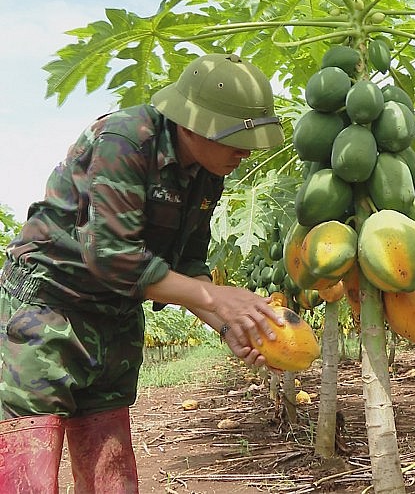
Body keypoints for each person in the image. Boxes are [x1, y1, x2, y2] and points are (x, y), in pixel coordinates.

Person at [0, 53, 286, 493]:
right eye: (234, 138)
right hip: (50, 308)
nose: (245, 152)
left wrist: (227, 323)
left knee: (110, 469)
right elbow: (111, 255)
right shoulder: (126, 140)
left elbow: (189, 263)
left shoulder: (209, 171)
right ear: (191, 125)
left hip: (116, 313)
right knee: (30, 467)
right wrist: (216, 299)